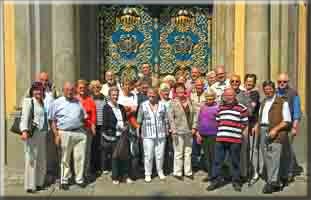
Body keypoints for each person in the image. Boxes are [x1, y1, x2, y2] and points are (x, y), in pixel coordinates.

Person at [207, 88, 248, 192]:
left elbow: (244, 124)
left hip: (235, 140)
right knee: (217, 161)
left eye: (231, 95)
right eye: (227, 96)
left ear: (235, 96)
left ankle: (236, 182)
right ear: (224, 97)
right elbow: (217, 122)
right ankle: (215, 181)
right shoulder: (220, 108)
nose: (229, 97)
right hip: (220, 139)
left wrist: (237, 133)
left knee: (235, 161)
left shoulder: (242, 108)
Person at [253, 80, 291, 193]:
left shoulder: (282, 102)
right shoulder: (264, 102)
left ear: (274, 89)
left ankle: (272, 182)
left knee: (274, 157)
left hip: (276, 131)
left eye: (270, 89)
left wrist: (275, 129)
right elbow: (261, 117)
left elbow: (287, 121)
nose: (268, 91)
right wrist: (257, 126)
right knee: (267, 158)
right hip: (263, 130)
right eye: (265, 89)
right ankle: (277, 181)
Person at [49, 82, 88, 190]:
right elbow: (52, 120)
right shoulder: (56, 102)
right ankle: (64, 180)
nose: (70, 92)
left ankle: (79, 179)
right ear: (63, 90)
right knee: (65, 158)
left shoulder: (78, 101)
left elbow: (84, 116)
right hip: (64, 133)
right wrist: (56, 135)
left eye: (71, 89)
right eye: (67, 89)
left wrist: (84, 129)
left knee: (80, 157)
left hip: (79, 133)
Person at [20, 81, 48, 193]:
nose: (38, 92)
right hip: (32, 134)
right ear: (32, 91)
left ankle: (39, 183)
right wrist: (24, 131)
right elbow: (24, 117)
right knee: (31, 159)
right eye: (36, 89)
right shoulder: (28, 101)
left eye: (40, 90)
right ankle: (30, 186)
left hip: (41, 134)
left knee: (41, 159)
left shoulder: (42, 102)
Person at [137, 87, 169, 183]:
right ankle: (148, 173)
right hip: (147, 134)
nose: (151, 95)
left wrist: (167, 130)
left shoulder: (162, 105)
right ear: (147, 94)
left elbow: (166, 119)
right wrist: (138, 132)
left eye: (153, 94)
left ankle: (160, 171)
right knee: (148, 155)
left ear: (157, 94)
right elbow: (139, 120)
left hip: (161, 133)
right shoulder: (143, 105)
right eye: (149, 93)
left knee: (160, 155)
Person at [101, 86, 133, 184]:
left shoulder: (121, 107)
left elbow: (125, 119)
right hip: (113, 135)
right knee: (115, 157)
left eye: (117, 95)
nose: (115, 97)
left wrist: (126, 125)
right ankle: (115, 177)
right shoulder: (106, 107)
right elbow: (106, 123)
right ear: (109, 96)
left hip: (123, 135)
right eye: (113, 95)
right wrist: (117, 127)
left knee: (125, 156)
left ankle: (125, 175)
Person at [276, 73, 302, 183]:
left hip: (289, 127)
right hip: (276, 127)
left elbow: (296, 112)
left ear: (288, 82)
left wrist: (295, 127)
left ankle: (289, 173)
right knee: (278, 151)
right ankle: (279, 173)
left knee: (288, 151)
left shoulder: (293, 93)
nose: (282, 84)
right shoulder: (275, 92)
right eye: (279, 82)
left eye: (284, 82)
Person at [169, 83, 197, 180]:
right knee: (178, 152)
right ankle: (177, 172)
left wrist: (194, 127)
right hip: (178, 131)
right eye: (178, 90)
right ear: (175, 92)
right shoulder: (173, 102)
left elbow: (194, 115)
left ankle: (188, 172)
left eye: (181, 89)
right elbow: (170, 118)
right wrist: (173, 130)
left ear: (184, 90)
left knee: (188, 152)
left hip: (189, 131)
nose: (180, 91)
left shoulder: (190, 101)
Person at [229, 74, 253, 181]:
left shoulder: (245, 95)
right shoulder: (226, 94)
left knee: (243, 151)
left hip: (242, 126)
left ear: (240, 83)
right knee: (230, 151)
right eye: (232, 81)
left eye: (237, 81)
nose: (234, 83)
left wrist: (238, 112)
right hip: (229, 126)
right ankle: (232, 173)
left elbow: (250, 111)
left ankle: (243, 174)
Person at [195, 89, 219, 182]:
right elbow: (199, 120)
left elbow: (220, 121)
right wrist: (198, 134)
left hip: (214, 135)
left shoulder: (217, 107)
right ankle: (209, 174)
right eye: (207, 98)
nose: (209, 100)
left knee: (213, 156)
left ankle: (215, 175)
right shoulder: (202, 107)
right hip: (203, 134)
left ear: (214, 98)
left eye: (211, 98)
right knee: (207, 156)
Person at [75, 80, 97, 183]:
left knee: (86, 152)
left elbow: (93, 114)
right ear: (76, 89)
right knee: (76, 154)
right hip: (75, 129)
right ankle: (76, 174)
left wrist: (93, 126)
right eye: (80, 88)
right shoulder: (73, 99)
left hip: (87, 129)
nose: (82, 90)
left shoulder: (90, 100)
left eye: (83, 88)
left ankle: (86, 173)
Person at [243, 74, 262, 184]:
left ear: (254, 83)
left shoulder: (255, 93)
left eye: (251, 81)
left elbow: (252, 109)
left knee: (253, 149)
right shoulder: (243, 92)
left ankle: (255, 172)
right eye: (247, 81)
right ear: (245, 82)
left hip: (252, 124)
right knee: (245, 149)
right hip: (243, 124)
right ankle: (246, 171)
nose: (249, 83)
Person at [89, 80, 108, 176]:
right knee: (93, 146)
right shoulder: (90, 98)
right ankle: (93, 167)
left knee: (102, 146)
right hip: (93, 125)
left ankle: (102, 166)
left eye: (98, 87)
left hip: (102, 125)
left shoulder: (104, 97)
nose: (96, 89)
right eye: (94, 87)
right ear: (91, 89)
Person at [190, 79, 205, 170]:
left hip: (204, 122)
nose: (199, 87)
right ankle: (195, 163)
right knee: (194, 144)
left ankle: (205, 163)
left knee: (204, 144)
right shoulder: (192, 95)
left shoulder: (207, 94)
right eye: (197, 85)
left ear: (203, 86)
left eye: (200, 85)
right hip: (194, 122)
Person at [159, 83, 174, 175]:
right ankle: (162, 168)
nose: (166, 92)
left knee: (171, 149)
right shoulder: (158, 102)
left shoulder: (172, 101)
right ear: (160, 92)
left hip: (171, 129)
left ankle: (171, 167)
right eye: (164, 91)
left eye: (167, 91)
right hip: (161, 130)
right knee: (162, 150)